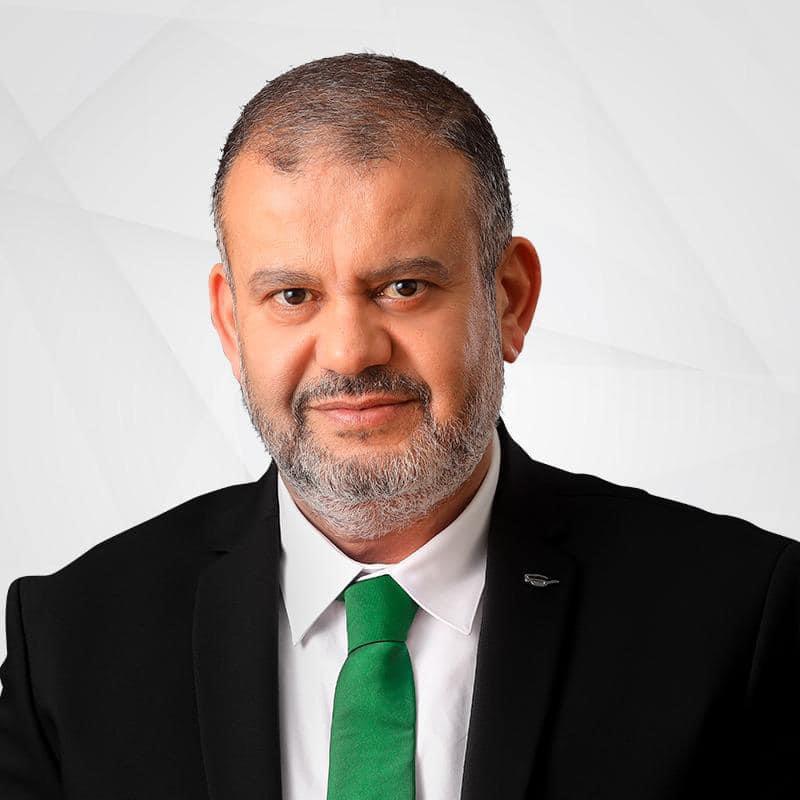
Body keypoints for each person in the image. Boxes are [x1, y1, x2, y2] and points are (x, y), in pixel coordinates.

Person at [0, 52, 797, 800]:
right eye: (292, 296)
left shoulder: (736, 619)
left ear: (510, 298)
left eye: (404, 287)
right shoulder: (70, 641)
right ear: (231, 322)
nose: (350, 352)